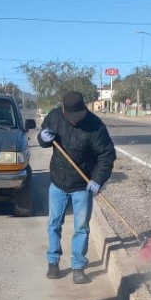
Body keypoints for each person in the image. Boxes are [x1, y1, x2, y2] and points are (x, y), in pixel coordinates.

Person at [37, 91, 116, 284]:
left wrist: (98, 179)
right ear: (63, 109)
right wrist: (42, 138)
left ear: (84, 109)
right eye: (71, 116)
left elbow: (106, 156)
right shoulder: (54, 117)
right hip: (57, 183)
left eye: (78, 116)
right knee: (54, 224)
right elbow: (44, 138)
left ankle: (78, 266)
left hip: (82, 186)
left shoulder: (95, 126)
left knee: (81, 227)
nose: (75, 121)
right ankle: (53, 262)